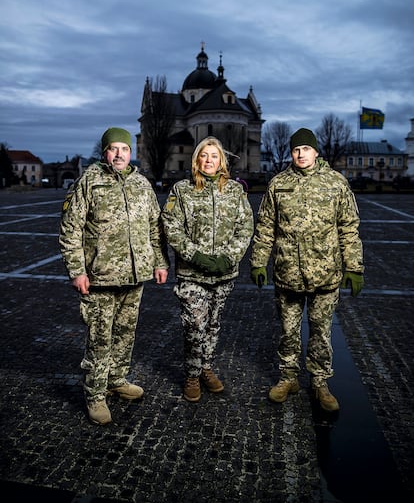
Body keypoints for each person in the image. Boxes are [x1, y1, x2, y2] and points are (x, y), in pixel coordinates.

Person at [59, 127, 169, 425]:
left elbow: (154, 229)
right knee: (99, 337)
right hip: (101, 276)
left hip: (135, 276)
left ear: (131, 152)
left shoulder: (142, 184)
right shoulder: (89, 183)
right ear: (104, 151)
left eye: (124, 148)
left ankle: (117, 379)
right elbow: (71, 229)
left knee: (125, 333)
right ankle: (95, 394)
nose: (119, 154)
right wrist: (77, 270)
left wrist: (159, 263)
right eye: (113, 148)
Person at [250, 128, 364, 411]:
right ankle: (288, 377)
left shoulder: (336, 183)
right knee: (288, 331)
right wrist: (257, 261)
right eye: (296, 149)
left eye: (306, 149)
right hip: (288, 271)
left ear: (316, 152)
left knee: (321, 331)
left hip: (325, 273)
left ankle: (320, 382)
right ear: (291, 153)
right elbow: (266, 227)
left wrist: (354, 267)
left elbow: (348, 228)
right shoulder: (278, 184)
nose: (301, 154)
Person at [161, 136, 254, 402]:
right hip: (192, 273)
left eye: (214, 156)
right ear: (197, 160)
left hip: (224, 273)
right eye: (204, 155)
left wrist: (229, 258)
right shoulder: (182, 189)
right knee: (194, 325)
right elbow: (171, 226)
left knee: (213, 324)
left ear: (221, 161)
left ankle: (206, 368)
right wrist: (196, 256)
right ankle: (192, 374)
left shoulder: (235, 191)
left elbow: (245, 227)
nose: (209, 160)